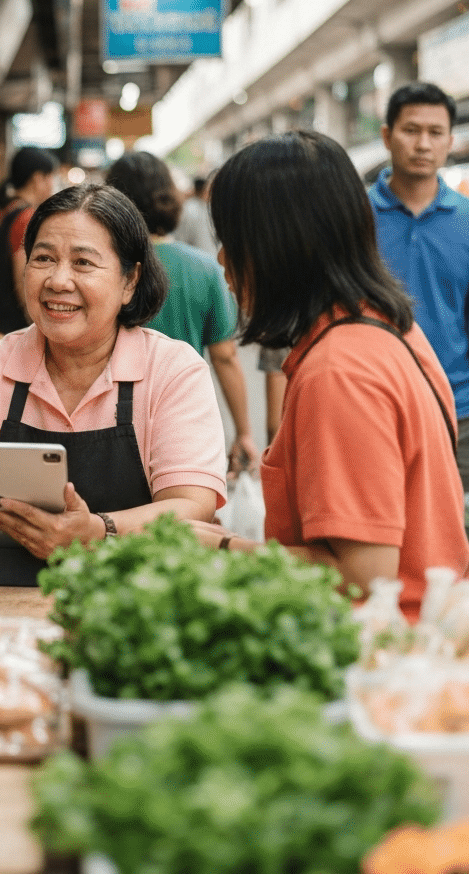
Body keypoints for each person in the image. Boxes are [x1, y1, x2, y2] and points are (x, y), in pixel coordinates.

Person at [190, 130, 468, 621]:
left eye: (232, 241)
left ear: (275, 248)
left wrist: (220, 546)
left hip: (382, 653)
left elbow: (367, 578)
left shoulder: (339, 371)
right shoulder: (388, 326)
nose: (221, 261)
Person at [0, 184, 227, 559]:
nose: (58, 281)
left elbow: (191, 505)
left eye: (83, 263)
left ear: (130, 281)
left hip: (130, 596)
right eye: (43, 258)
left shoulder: (173, 370)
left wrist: (98, 531)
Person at [107, 151, 259, 471]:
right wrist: (243, 433)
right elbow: (225, 357)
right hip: (184, 418)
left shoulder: (104, 269)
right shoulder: (204, 268)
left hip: (109, 421)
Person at [369, 82, 469, 524]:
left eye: (436, 132)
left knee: (456, 534)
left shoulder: (466, 220)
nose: (423, 144)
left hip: (459, 413)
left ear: (451, 140)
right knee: (389, 531)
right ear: (388, 135)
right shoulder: (353, 217)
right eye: (411, 130)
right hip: (375, 406)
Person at [0, 146, 57, 334]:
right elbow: (25, 282)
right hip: (16, 332)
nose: (52, 185)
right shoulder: (28, 218)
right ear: (38, 179)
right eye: (51, 178)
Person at [175, 173, 218, 257]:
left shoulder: (187, 208)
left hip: (192, 257)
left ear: (193, 189)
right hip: (209, 258)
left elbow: (180, 239)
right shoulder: (209, 209)